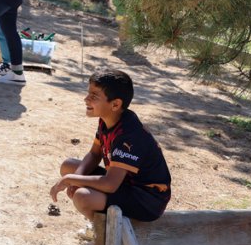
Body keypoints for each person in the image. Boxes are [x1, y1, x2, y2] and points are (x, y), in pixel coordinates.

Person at [51, 70, 171, 221]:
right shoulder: (107, 120)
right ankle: (107, 223)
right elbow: (95, 154)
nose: (86, 99)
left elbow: (110, 185)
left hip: (147, 201)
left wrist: (72, 180)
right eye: (88, 93)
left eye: (94, 96)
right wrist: (76, 176)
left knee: (83, 197)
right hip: (124, 185)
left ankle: (103, 235)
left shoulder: (128, 135)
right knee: (69, 166)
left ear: (115, 104)